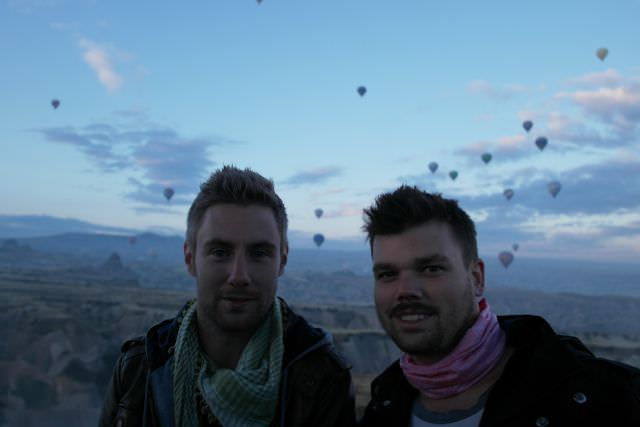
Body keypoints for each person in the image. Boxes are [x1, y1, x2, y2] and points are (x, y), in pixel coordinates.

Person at [358, 185, 640, 427]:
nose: (405, 290)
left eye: (431, 269)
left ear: (477, 278)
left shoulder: (606, 398)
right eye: (387, 274)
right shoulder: (383, 405)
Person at [99, 166, 355, 427]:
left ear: (283, 260)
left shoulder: (324, 377)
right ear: (190, 259)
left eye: (259, 253)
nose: (239, 276)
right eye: (220, 252)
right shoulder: (137, 369)